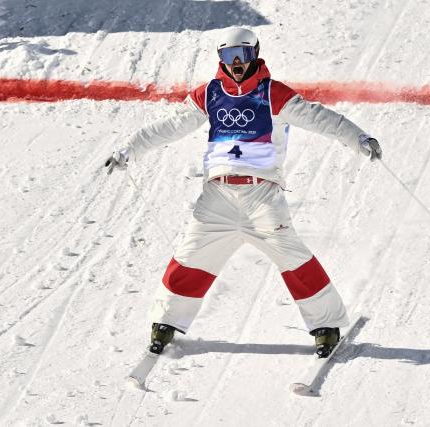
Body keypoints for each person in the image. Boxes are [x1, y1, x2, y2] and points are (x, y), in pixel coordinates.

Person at [105, 27, 382, 358]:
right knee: (190, 257)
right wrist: (128, 149)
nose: (236, 63)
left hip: (261, 196)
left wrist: (359, 139)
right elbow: (168, 127)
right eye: (228, 56)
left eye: (243, 55)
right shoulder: (208, 93)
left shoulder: (272, 94)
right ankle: (166, 322)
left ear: (255, 54)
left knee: (292, 256)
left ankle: (326, 325)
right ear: (220, 58)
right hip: (217, 196)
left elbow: (321, 119)